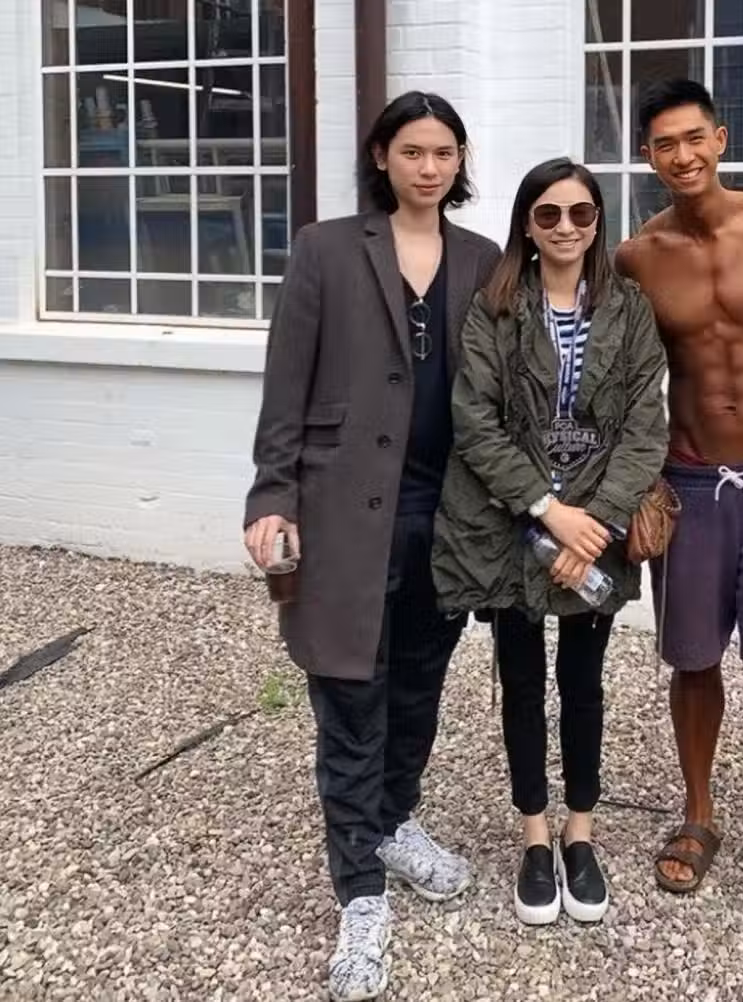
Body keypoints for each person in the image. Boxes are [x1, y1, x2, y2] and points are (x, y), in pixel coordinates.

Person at [243, 92, 501, 1001]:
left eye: (444, 153)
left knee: (418, 690)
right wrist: (272, 493)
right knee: (351, 699)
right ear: (383, 157)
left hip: (448, 518)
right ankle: (358, 890)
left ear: (460, 162)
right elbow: (286, 382)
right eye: (412, 151)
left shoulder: (484, 259)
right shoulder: (324, 250)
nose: (429, 167)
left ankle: (392, 821)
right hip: (344, 512)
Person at [432, 157, 668, 926]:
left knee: (584, 683)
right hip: (513, 530)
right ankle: (535, 836)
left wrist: (593, 522)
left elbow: (645, 426)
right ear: (527, 226)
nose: (566, 227)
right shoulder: (497, 306)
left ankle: (580, 832)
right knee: (522, 682)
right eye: (548, 214)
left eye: (581, 213)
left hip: (596, 529)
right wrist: (546, 509)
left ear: (598, 222)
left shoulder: (628, 309)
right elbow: (475, 420)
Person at [613, 79, 743, 907]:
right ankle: (698, 812)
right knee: (693, 657)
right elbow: (617, 374)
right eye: (665, 143)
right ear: (647, 156)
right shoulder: (637, 256)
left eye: (694, 137)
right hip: (689, 478)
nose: (683, 155)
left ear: (721, 139)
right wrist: (630, 479)